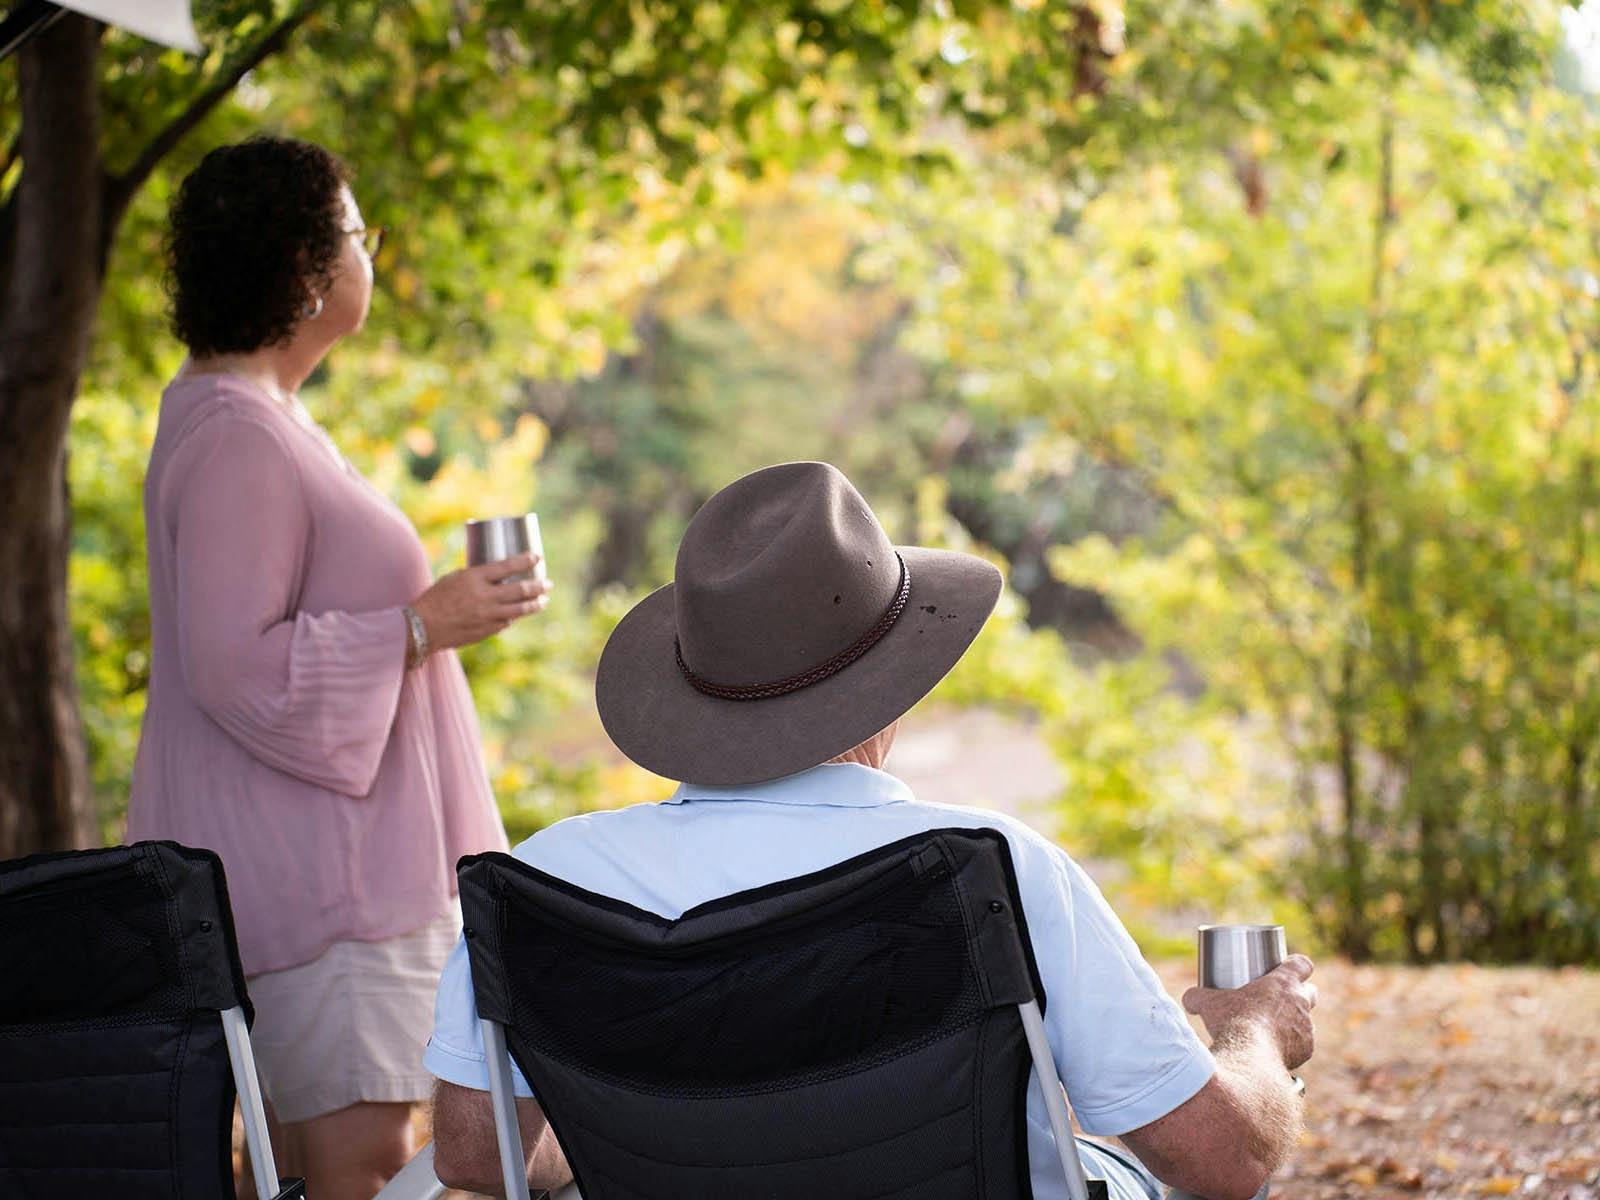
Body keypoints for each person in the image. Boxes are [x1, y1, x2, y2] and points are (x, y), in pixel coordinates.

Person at [422, 461, 1315, 1200]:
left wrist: (636, 1135)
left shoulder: (548, 883)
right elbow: (1224, 1159)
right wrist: (1255, 1032)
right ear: (888, 690)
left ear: (692, 692)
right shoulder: (989, 869)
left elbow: (476, 1154)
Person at [127, 136, 552, 1200]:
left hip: (331, 881)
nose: (371, 253)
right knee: (364, 1170)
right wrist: (420, 625)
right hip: (326, 898)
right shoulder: (240, 439)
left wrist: (428, 622)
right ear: (309, 269)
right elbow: (231, 667)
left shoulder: (257, 418)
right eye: (360, 235)